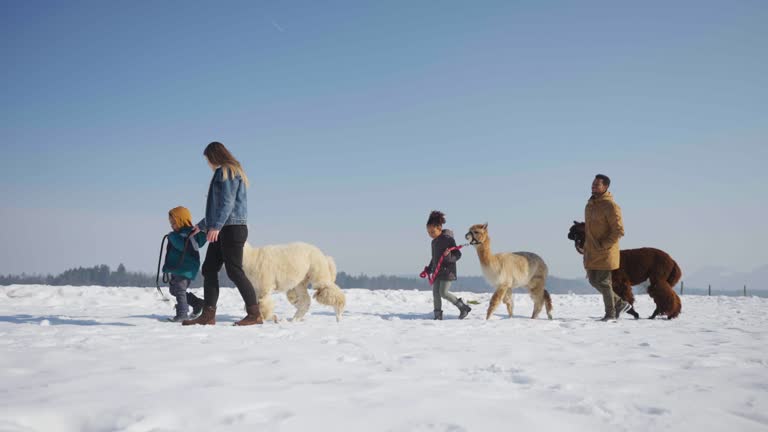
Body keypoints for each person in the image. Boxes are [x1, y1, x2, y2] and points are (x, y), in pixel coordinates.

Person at [182, 142, 262, 326]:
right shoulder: (230, 171)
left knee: (234, 271)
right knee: (209, 268)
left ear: (214, 156)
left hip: (230, 228)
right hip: (225, 227)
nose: (208, 163)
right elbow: (218, 208)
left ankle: (255, 313)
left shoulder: (227, 171)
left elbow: (227, 203)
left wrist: (216, 227)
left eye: (207, 159)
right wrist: (202, 226)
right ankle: (208, 315)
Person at [583, 174, 630, 321]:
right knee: (593, 280)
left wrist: (604, 244)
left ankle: (610, 314)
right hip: (591, 250)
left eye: (597, 185)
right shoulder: (590, 204)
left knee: (603, 282)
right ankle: (620, 303)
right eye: (593, 184)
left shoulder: (611, 206)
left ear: (605, 187)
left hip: (605, 251)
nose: (593, 186)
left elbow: (619, 230)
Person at [422, 210, 471, 320]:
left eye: (432, 232)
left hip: (448, 271)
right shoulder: (434, 242)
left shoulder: (448, 239)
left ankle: (463, 307)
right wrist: (429, 269)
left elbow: (457, 254)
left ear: (439, 228)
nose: (430, 234)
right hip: (437, 271)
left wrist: (448, 257)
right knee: (436, 293)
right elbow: (434, 258)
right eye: (428, 232)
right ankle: (437, 315)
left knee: (443, 293)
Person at [162, 206, 207, 322]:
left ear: (182, 220)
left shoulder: (189, 234)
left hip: (186, 268)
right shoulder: (178, 234)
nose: (172, 226)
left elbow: (183, 246)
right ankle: (197, 303)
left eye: (174, 223)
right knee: (174, 290)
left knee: (180, 290)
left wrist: (172, 236)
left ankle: (182, 313)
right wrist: (167, 267)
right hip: (178, 268)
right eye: (171, 223)